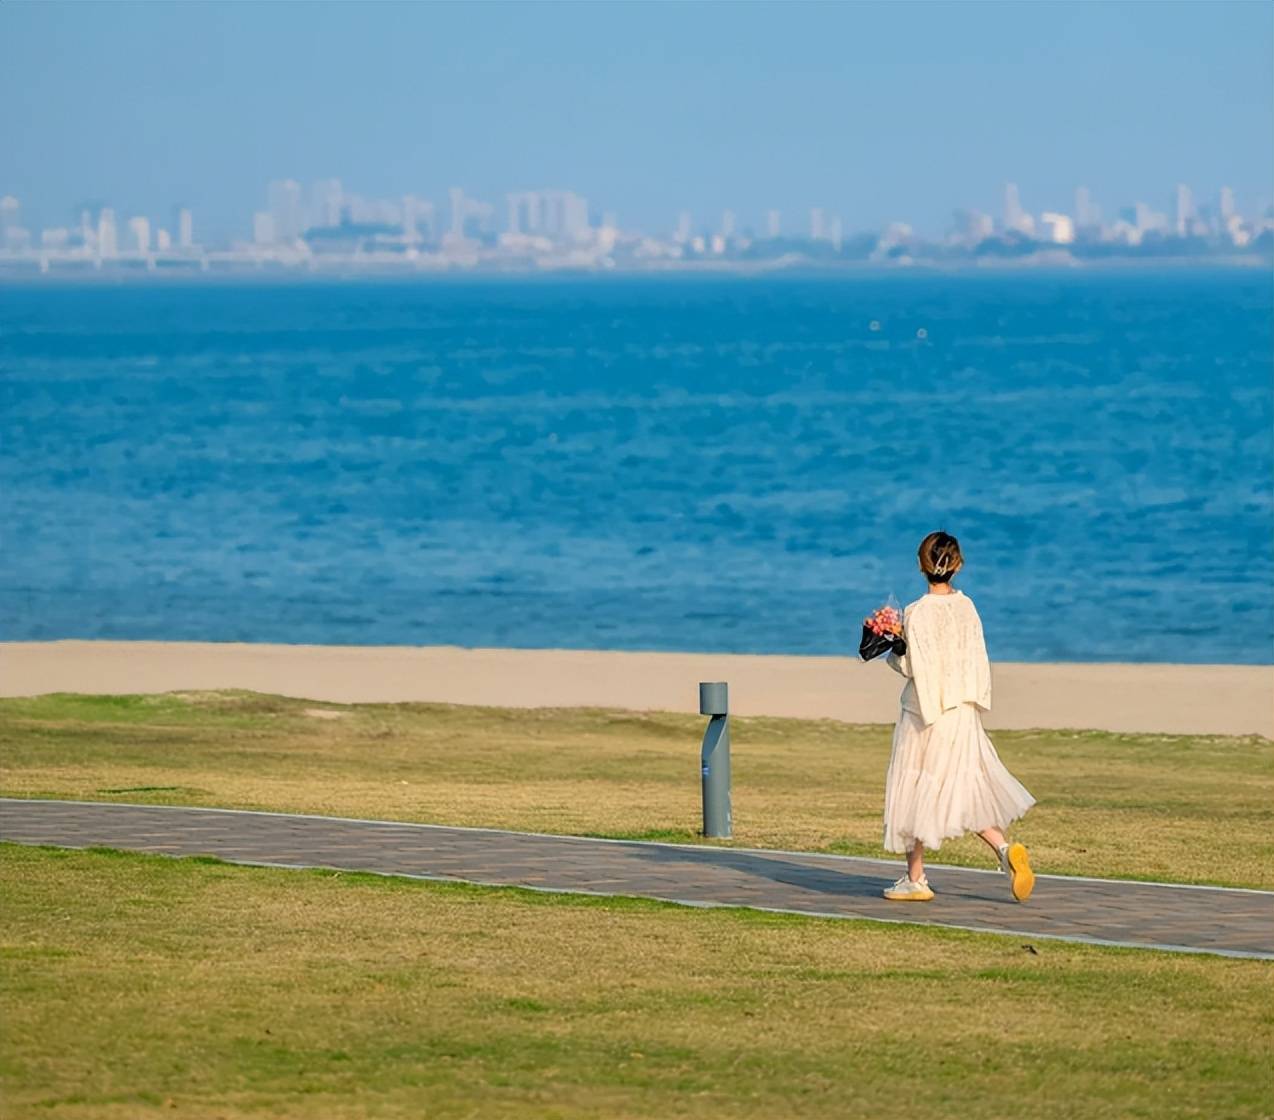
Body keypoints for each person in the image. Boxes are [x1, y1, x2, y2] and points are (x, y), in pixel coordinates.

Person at [880, 531, 1036, 903]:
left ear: (921, 566)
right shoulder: (968, 608)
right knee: (961, 789)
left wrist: (893, 645)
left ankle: (915, 878)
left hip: (926, 714)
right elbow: (976, 658)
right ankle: (1002, 849)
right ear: (958, 565)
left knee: (916, 789)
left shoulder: (917, 612)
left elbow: (912, 667)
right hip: (963, 711)